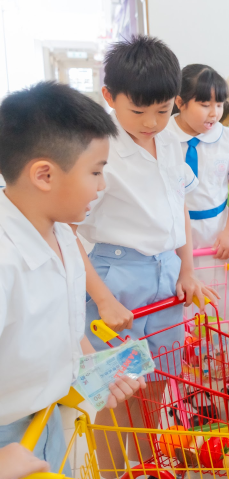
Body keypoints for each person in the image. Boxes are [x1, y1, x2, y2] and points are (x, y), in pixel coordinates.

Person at [76, 37, 219, 467]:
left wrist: (187, 270)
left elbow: (179, 208)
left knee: (158, 381)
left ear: (174, 101)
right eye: (138, 112)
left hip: (166, 275)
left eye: (161, 111)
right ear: (109, 98)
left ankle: (143, 466)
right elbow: (65, 232)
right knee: (116, 391)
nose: (151, 122)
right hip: (116, 279)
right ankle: (116, 469)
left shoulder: (172, 143)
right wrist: (102, 298)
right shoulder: (99, 152)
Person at [0, 82, 142, 473]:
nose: (102, 185)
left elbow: (64, 321)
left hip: (43, 419)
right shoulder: (6, 261)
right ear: (44, 175)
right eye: (95, 172)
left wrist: (91, 365)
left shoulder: (63, 231)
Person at [168, 64, 229, 257]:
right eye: (205, 105)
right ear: (180, 102)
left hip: (216, 233)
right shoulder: (161, 137)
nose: (215, 113)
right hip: (171, 233)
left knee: (216, 284)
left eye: (219, 104)